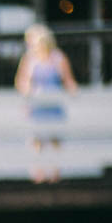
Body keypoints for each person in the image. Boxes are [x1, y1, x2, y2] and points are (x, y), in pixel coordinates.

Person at [15, 24, 77, 183]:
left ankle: (55, 172)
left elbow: (68, 79)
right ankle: (39, 172)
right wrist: (27, 91)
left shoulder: (58, 57)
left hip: (53, 103)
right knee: (37, 140)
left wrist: (73, 90)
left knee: (55, 138)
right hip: (37, 104)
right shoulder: (30, 59)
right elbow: (22, 81)